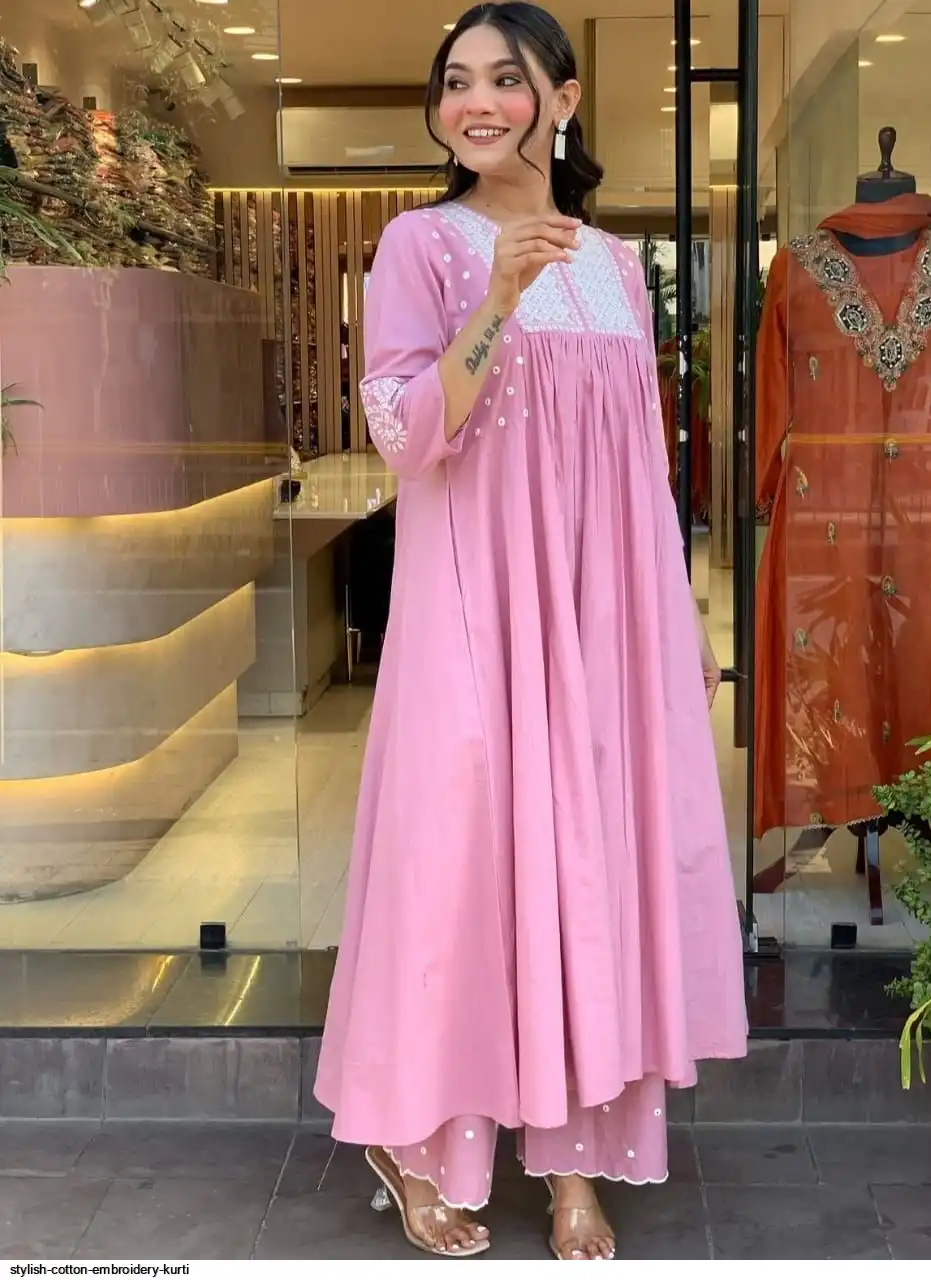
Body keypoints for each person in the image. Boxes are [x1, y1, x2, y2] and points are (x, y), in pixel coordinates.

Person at [314, 2, 747, 1260]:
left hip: (600, 618)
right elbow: (405, 433)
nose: (476, 103)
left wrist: (668, 614)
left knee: (588, 865)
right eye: (456, 82)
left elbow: (638, 463)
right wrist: (497, 296)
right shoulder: (421, 245)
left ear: (561, 98)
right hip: (470, 604)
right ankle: (411, 1139)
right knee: (459, 863)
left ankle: (574, 1164)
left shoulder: (614, 265)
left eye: (506, 78)